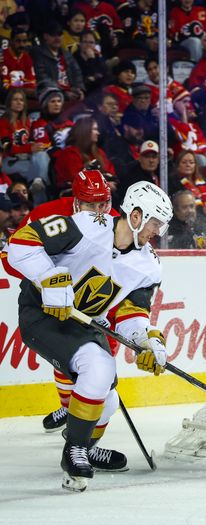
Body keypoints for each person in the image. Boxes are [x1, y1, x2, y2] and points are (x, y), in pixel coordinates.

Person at [6, 180, 173, 491]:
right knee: (99, 368)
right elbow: (21, 243)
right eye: (154, 224)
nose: (157, 233)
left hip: (85, 324)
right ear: (135, 216)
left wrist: (146, 340)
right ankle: (76, 451)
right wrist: (49, 279)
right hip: (43, 315)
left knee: (107, 399)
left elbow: (130, 314)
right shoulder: (87, 224)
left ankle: (86, 447)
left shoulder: (148, 265)